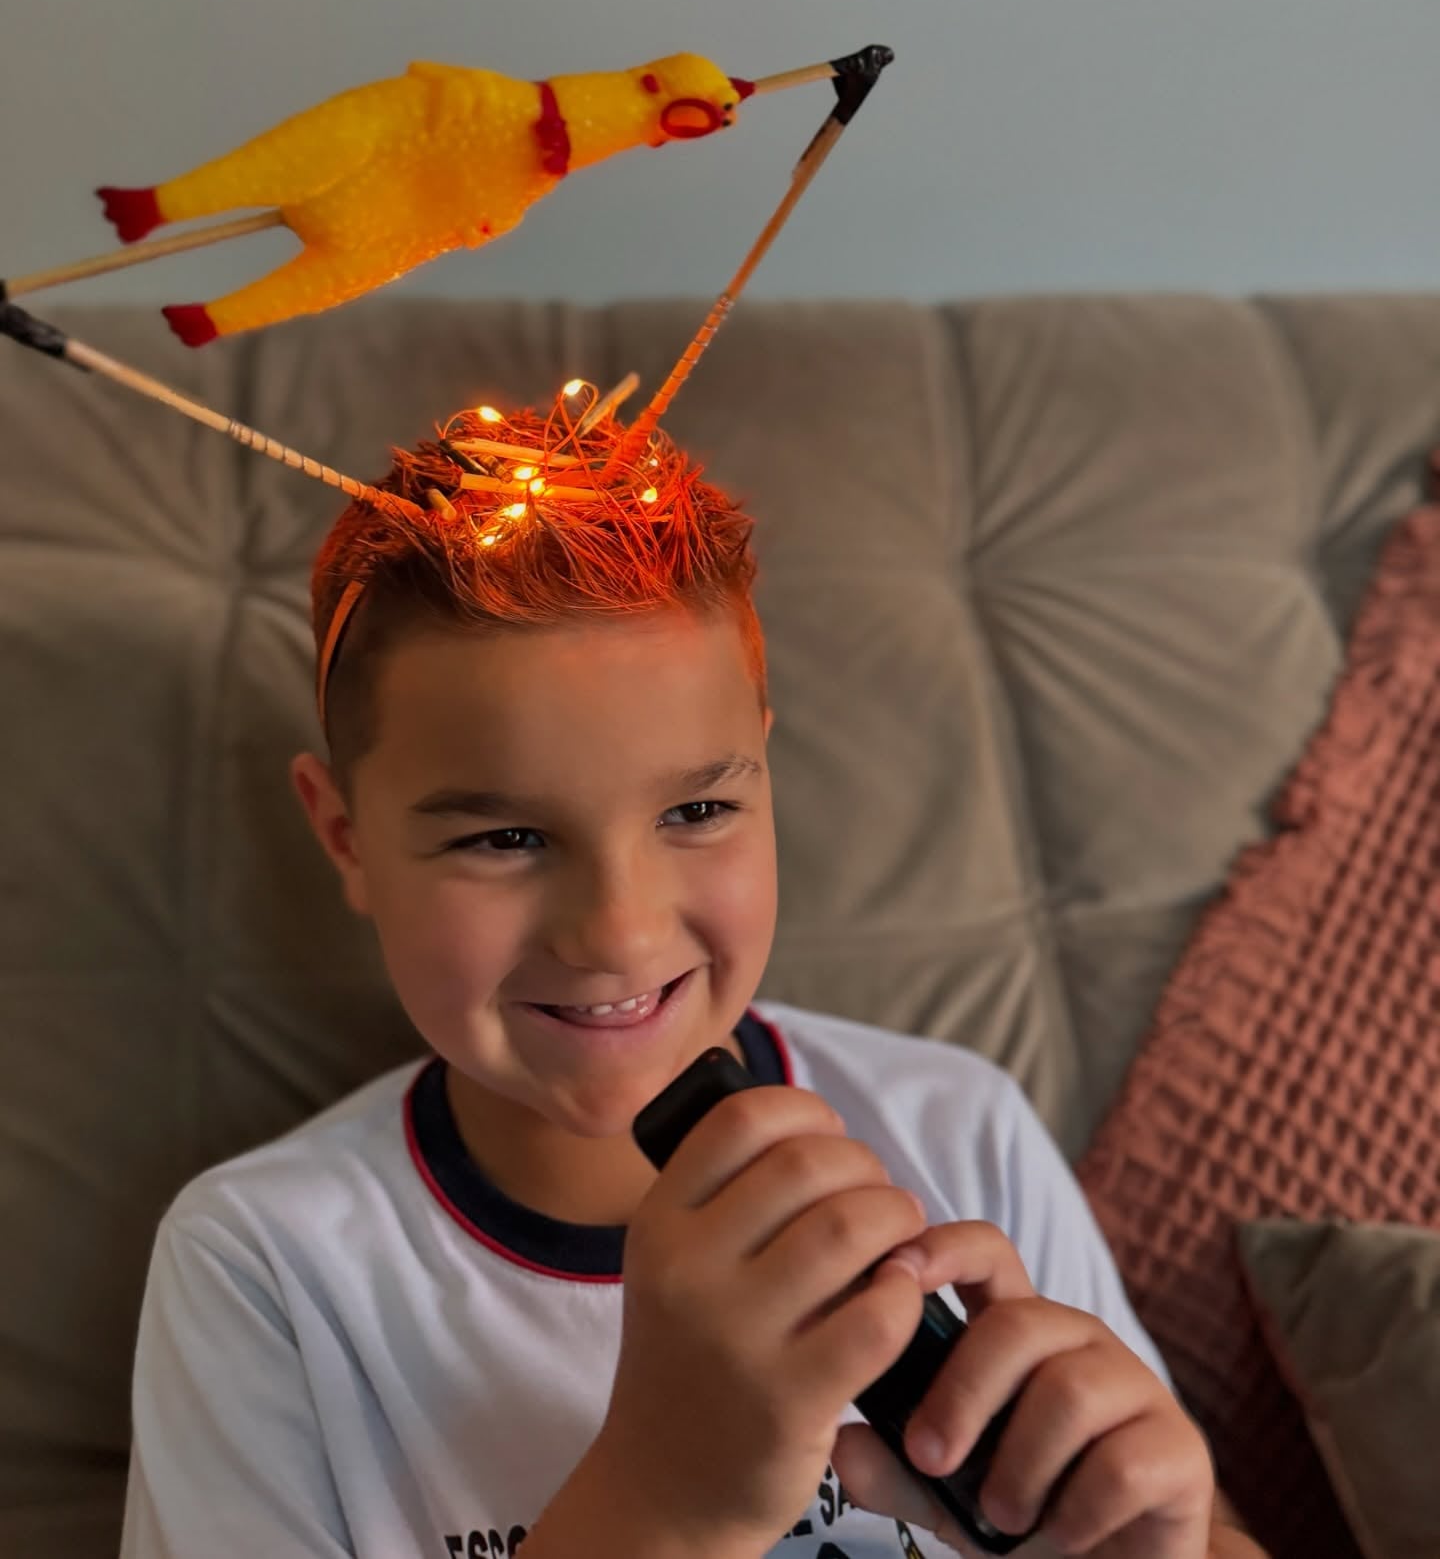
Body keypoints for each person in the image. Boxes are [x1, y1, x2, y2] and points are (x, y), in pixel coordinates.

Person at [119, 399, 1263, 1559]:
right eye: (503, 838)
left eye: (699, 808)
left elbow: (1174, 1519)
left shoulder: (958, 1130)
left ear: (766, 768)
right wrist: (667, 1499)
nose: (617, 932)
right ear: (346, 835)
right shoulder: (262, 1266)